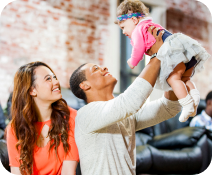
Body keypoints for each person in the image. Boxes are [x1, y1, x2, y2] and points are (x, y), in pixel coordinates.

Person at [69, 28, 181, 175]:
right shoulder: (86, 114)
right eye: (96, 69)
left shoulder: (124, 115)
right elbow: (130, 101)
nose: (104, 68)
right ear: (85, 85)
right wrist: (158, 55)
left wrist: (173, 73)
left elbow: (168, 108)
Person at [116, 0, 210, 122]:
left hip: (174, 54)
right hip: (185, 51)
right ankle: (194, 96)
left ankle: (187, 105)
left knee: (173, 79)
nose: (123, 32)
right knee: (184, 79)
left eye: (123, 27)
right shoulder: (151, 25)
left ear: (134, 20)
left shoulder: (139, 30)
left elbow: (138, 49)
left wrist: (132, 62)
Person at [6, 62, 79, 175]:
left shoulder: (71, 118)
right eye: (48, 79)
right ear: (32, 90)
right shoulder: (14, 128)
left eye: (54, 77)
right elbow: (17, 172)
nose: (56, 82)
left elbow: (68, 171)